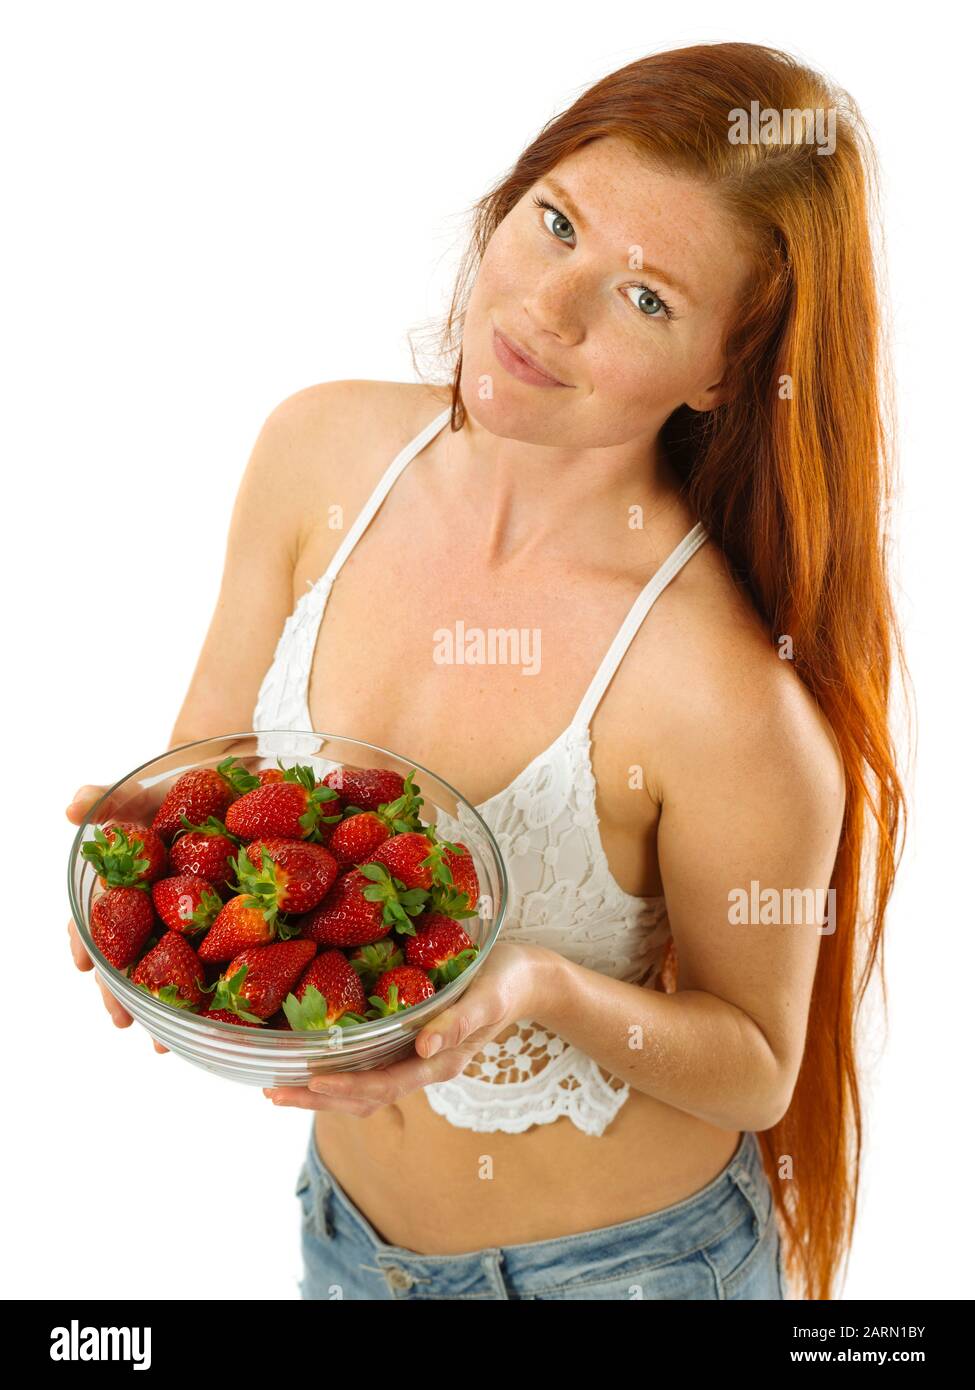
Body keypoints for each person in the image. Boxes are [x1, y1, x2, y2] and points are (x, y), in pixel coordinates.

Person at [67, 40, 907, 1301]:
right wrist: (143, 856)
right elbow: (215, 762)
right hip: (347, 1246)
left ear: (725, 374)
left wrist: (544, 988)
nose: (546, 309)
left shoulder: (726, 697)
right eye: (555, 222)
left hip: (628, 1275)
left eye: (647, 299)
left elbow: (757, 1063)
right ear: (506, 199)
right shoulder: (317, 455)